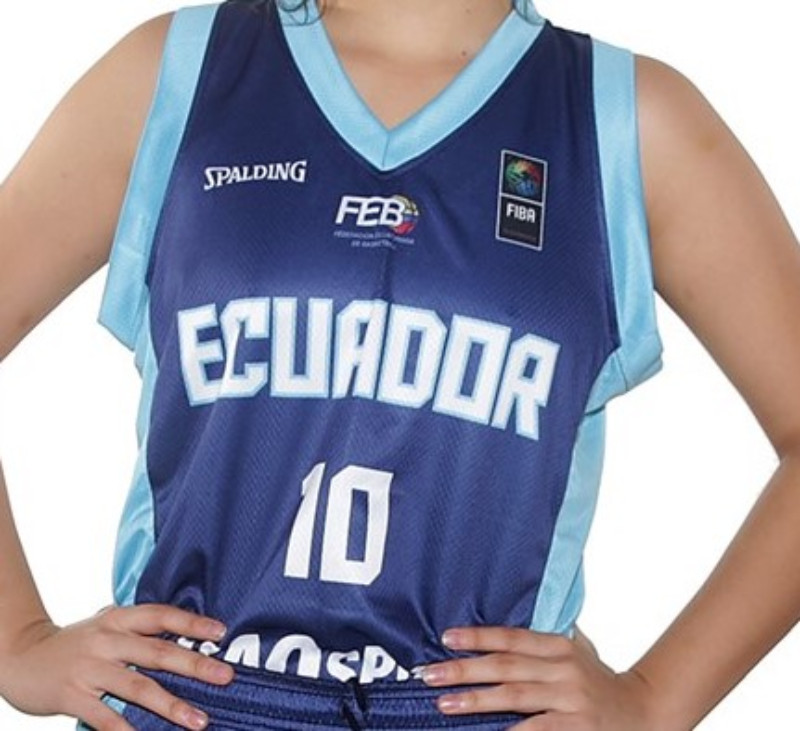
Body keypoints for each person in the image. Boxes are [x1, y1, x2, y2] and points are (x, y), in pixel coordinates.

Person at [0, 0, 799, 729]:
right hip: (191, 701)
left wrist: (657, 699)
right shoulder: (176, 71)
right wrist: (18, 644)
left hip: (467, 711)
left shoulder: (627, 119)